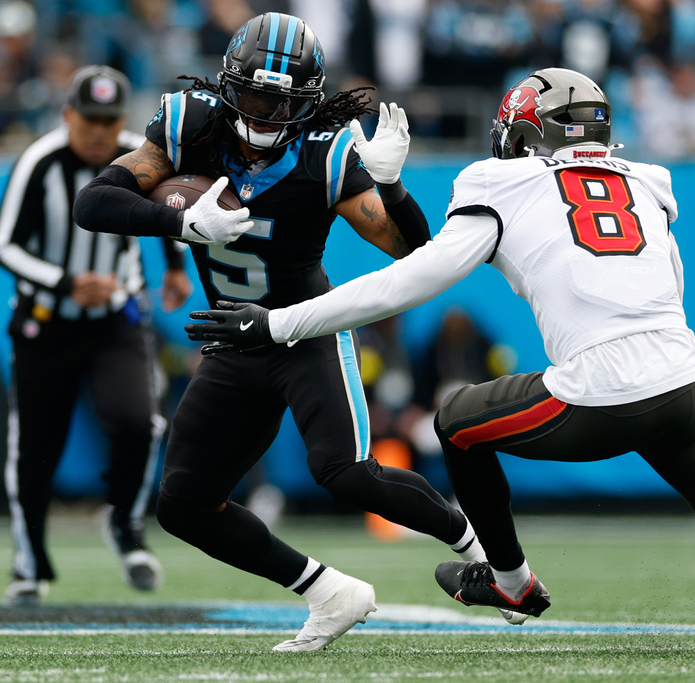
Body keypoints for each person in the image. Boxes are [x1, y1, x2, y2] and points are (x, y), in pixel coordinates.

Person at [185, 67, 695, 654]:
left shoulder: (504, 185)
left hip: (596, 390)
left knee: (458, 421)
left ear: (529, 134)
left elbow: (409, 279)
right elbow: (669, 282)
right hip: (682, 380)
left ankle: (512, 580)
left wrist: (278, 322)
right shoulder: (648, 181)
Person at [72, 13, 518, 653]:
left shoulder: (325, 155)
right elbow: (95, 202)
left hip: (305, 330)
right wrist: (180, 227)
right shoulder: (188, 126)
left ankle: (484, 552)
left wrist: (390, 188)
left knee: (345, 473)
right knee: (184, 505)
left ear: (305, 102)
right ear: (229, 87)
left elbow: (414, 251)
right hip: (233, 339)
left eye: (281, 101)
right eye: (254, 95)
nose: (264, 114)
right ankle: (329, 592)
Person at [0, 65, 193, 606]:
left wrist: (174, 265)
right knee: (36, 448)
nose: (100, 131)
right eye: (90, 118)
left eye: (110, 119)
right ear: (67, 116)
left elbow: (164, 208)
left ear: (122, 119)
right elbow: (3, 245)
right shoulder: (41, 162)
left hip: (115, 321)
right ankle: (30, 560)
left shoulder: (139, 156)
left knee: (138, 423)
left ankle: (124, 525)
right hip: (45, 323)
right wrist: (67, 283)